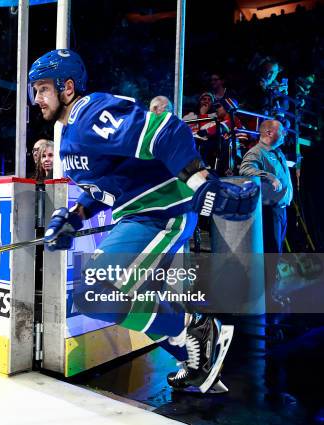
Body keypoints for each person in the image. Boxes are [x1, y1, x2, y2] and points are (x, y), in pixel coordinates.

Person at [29, 49, 259, 393]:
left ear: (67, 87)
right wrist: (73, 219)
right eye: (34, 91)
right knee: (131, 299)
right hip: (139, 215)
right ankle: (194, 355)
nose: (36, 99)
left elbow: (166, 131)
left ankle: (194, 327)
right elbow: (103, 189)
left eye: (43, 88)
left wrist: (199, 182)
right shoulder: (69, 136)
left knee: (93, 294)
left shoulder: (91, 112)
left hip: (161, 211)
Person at [240, 120, 293, 254]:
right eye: (282, 131)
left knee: (277, 251)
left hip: (281, 211)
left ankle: (272, 275)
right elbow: (245, 169)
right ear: (269, 132)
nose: (285, 134)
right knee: (271, 252)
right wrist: (269, 176)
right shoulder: (256, 152)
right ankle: (268, 275)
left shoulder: (277, 152)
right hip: (269, 212)